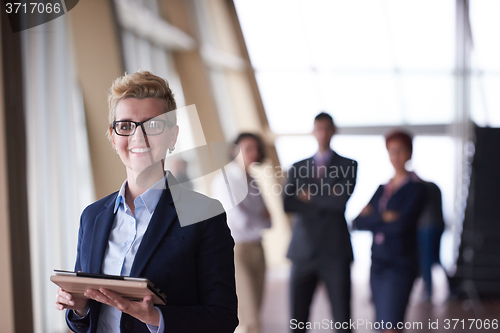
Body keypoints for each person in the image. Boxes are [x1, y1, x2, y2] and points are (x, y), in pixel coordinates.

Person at [54, 71, 238, 333]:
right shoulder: (92, 216)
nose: (138, 137)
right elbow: (86, 318)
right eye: (126, 126)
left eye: (153, 125)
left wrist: (156, 318)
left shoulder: (205, 215)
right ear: (113, 136)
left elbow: (223, 318)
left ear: (173, 136)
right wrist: (79, 308)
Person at [284, 112, 357, 333]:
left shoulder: (349, 165)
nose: (323, 133)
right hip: (303, 251)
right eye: (319, 129)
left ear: (334, 131)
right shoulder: (298, 167)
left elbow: (340, 203)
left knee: (342, 320)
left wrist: (310, 195)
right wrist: (328, 194)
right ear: (313, 132)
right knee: (297, 321)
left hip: (335, 251)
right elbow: (288, 204)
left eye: (327, 129)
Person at [353, 130, 426, 333]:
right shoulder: (381, 188)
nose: (395, 156)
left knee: (391, 326)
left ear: (409, 153)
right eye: (391, 151)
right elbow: (358, 222)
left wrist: (374, 216)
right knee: (380, 324)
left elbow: (400, 226)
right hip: (378, 262)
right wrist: (384, 216)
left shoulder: (417, 189)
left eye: (400, 151)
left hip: (400, 263)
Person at [211, 132, 271, 333]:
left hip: (257, 247)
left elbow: (269, 219)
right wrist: (258, 218)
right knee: (248, 316)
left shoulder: (252, 180)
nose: (253, 153)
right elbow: (238, 220)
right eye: (247, 148)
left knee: (257, 310)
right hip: (237, 251)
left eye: (256, 148)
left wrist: (255, 218)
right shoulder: (225, 180)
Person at [417, 181, 445, 301]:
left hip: (427, 226)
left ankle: (428, 291)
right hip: (437, 225)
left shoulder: (423, 188)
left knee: (427, 259)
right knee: (435, 259)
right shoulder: (434, 186)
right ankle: (453, 287)